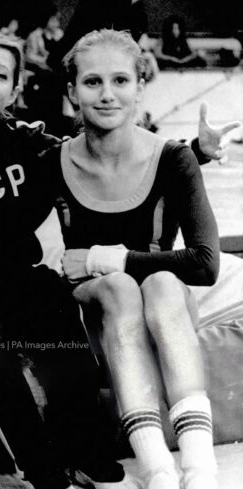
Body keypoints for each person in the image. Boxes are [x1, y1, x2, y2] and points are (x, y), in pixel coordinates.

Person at [0, 20, 132, 489]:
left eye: (0, 76)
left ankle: (84, 448)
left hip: (20, 279)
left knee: (59, 322)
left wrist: (192, 152)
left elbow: (100, 157)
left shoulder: (31, 146)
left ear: (14, 91)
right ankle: (40, 466)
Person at [55, 29, 219, 489]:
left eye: (121, 81)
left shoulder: (174, 159)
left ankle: (200, 468)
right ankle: (158, 470)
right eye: (92, 83)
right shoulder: (51, 159)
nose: (107, 94)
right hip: (100, 314)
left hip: (163, 307)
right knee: (120, 286)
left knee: (162, 282)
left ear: (140, 87)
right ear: (71, 93)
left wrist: (105, 257)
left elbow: (206, 264)